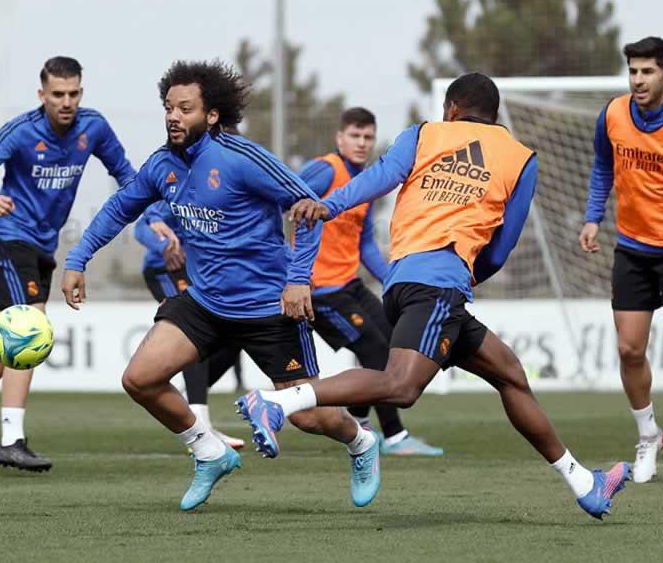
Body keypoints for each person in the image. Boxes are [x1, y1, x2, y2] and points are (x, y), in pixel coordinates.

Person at [240, 72, 631, 521]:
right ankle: (278, 402)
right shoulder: (521, 158)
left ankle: (585, 483)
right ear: (496, 115)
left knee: (510, 374)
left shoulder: (423, 133)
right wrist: (464, 275)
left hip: (403, 280)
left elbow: (381, 178)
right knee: (400, 386)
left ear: (450, 109)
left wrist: (329, 206)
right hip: (441, 284)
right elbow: (501, 249)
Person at [62, 60, 382, 511]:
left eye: (185, 108)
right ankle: (209, 452)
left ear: (211, 115)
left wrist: (297, 281)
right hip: (206, 303)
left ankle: (360, 442)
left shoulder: (240, 158)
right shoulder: (161, 166)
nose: (173, 116)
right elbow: (119, 209)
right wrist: (77, 259)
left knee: (311, 416)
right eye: (168, 107)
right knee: (140, 379)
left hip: (269, 306)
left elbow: (308, 208)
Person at [0, 56, 139, 474]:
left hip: (43, 246)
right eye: (58, 94)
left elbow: (127, 175)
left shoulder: (94, 128)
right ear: (42, 95)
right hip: (7, 238)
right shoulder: (22, 131)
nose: (66, 101)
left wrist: (147, 207)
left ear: (81, 93)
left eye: (73, 93)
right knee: (27, 332)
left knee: (10, 345)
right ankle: (10, 440)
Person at [578, 37, 663, 486]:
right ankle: (648, 435)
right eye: (633, 71)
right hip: (633, 248)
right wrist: (592, 217)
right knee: (629, 349)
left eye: (647, 71)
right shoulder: (613, 114)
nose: (638, 80)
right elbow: (603, 165)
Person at [299, 106, 443, 457]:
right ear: (340, 137)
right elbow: (282, 203)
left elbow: (364, 244)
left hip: (350, 285)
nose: (362, 143)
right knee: (376, 352)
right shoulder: (324, 170)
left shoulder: (366, 182)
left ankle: (360, 426)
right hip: (322, 291)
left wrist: (393, 277)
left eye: (368, 137)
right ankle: (394, 437)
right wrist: (289, 271)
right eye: (355, 136)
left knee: (392, 344)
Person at [133, 203, 244, 449]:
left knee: (235, 337)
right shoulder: (174, 190)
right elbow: (141, 228)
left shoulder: (216, 189)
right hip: (166, 268)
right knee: (192, 333)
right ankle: (201, 425)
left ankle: (190, 401)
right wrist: (165, 246)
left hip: (201, 271)